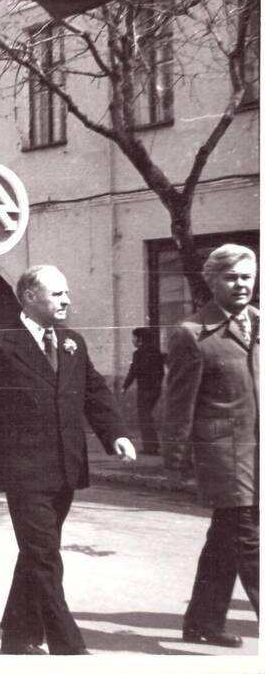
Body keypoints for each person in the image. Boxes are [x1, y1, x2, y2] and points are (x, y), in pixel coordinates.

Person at [0, 265, 136, 655]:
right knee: (45, 557)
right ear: (29, 297)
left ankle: (16, 634)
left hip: (65, 469)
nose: (67, 300)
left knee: (36, 553)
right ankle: (68, 646)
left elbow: (95, 393)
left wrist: (118, 436)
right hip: (24, 472)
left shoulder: (72, 341)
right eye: (57, 294)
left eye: (66, 293)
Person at [162, 244, 259, 648]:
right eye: (231, 277)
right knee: (249, 538)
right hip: (224, 454)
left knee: (225, 539)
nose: (241, 285)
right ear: (212, 281)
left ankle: (202, 621)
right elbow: (178, 403)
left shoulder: (259, 323)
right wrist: (176, 459)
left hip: (258, 451)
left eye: (247, 277)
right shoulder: (192, 334)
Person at [121, 327, 165, 455]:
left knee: (144, 417)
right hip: (155, 389)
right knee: (147, 416)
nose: (132, 340)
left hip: (145, 389)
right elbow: (161, 372)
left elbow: (134, 371)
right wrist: (157, 385)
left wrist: (125, 386)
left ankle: (150, 447)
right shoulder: (155, 352)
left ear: (140, 339)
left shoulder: (139, 354)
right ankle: (152, 445)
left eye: (134, 337)